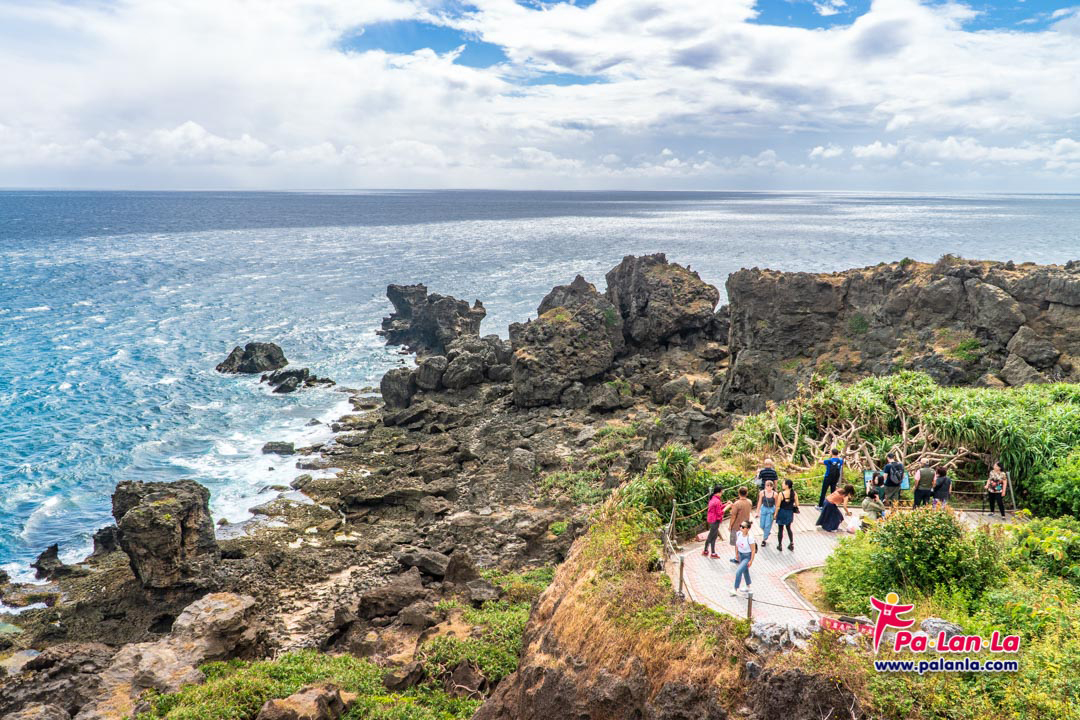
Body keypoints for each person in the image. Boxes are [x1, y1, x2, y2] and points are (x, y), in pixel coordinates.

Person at [729, 520, 756, 597]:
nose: (741, 528)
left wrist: (751, 560)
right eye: (740, 526)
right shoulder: (739, 534)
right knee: (745, 571)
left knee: (739, 571)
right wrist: (736, 554)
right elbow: (737, 545)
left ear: (748, 529)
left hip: (747, 556)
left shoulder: (750, 538)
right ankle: (748, 586)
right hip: (740, 555)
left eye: (743, 527)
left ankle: (735, 588)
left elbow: (753, 550)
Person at [703, 485, 725, 558]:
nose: (722, 493)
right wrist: (726, 508)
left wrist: (725, 505)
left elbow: (719, 508)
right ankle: (708, 551)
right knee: (711, 536)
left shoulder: (713, 499)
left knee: (713, 536)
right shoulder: (717, 501)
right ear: (718, 492)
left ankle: (711, 551)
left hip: (712, 519)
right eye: (721, 492)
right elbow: (719, 512)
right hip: (715, 520)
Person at [775, 479, 798, 552]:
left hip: (782, 512)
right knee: (788, 528)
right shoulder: (794, 493)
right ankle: (791, 543)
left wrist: (775, 514)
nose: (782, 485)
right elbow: (797, 504)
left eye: (783, 484)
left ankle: (780, 545)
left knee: (780, 529)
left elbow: (778, 506)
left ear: (787, 485)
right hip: (789, 512)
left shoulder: (781, 494)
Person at [756, 479, 777, 546]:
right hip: (764, 508)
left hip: (771, 510)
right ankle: (767, 532)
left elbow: (776, 504)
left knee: (768, 524)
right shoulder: (762, 493)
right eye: (767, 485)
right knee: (762, 525)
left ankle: (764, 539)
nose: (769, 487)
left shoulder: (775, 494)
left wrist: (776, 513)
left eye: (770, 486)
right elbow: (759, 502)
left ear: (772, 487)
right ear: (765, 486)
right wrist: (757, 512)